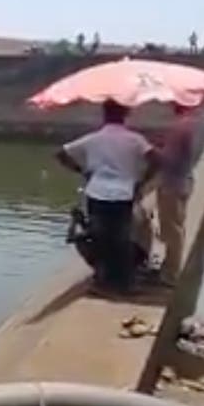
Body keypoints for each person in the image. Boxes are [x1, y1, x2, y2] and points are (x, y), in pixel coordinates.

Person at [56, 100, 156, 292]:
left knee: (100, 237)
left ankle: (103, 279)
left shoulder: (94, 139)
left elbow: (61, 154)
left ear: (104, 114)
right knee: (122, 238)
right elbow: (157, 160)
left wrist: (83, 171)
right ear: (126, 114)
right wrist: (142, 180)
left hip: (97, 194)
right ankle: (125, 283)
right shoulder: (135, 140)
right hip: (123, 195)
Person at [156, 103, 200, 283]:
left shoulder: (180, 127)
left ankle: (171, 274)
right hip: (185, 180)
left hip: (172, 184)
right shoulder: (193, 124)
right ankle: (170, 266)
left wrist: (155, 151)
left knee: (172, 229)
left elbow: (169, 160)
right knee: (177, 226)